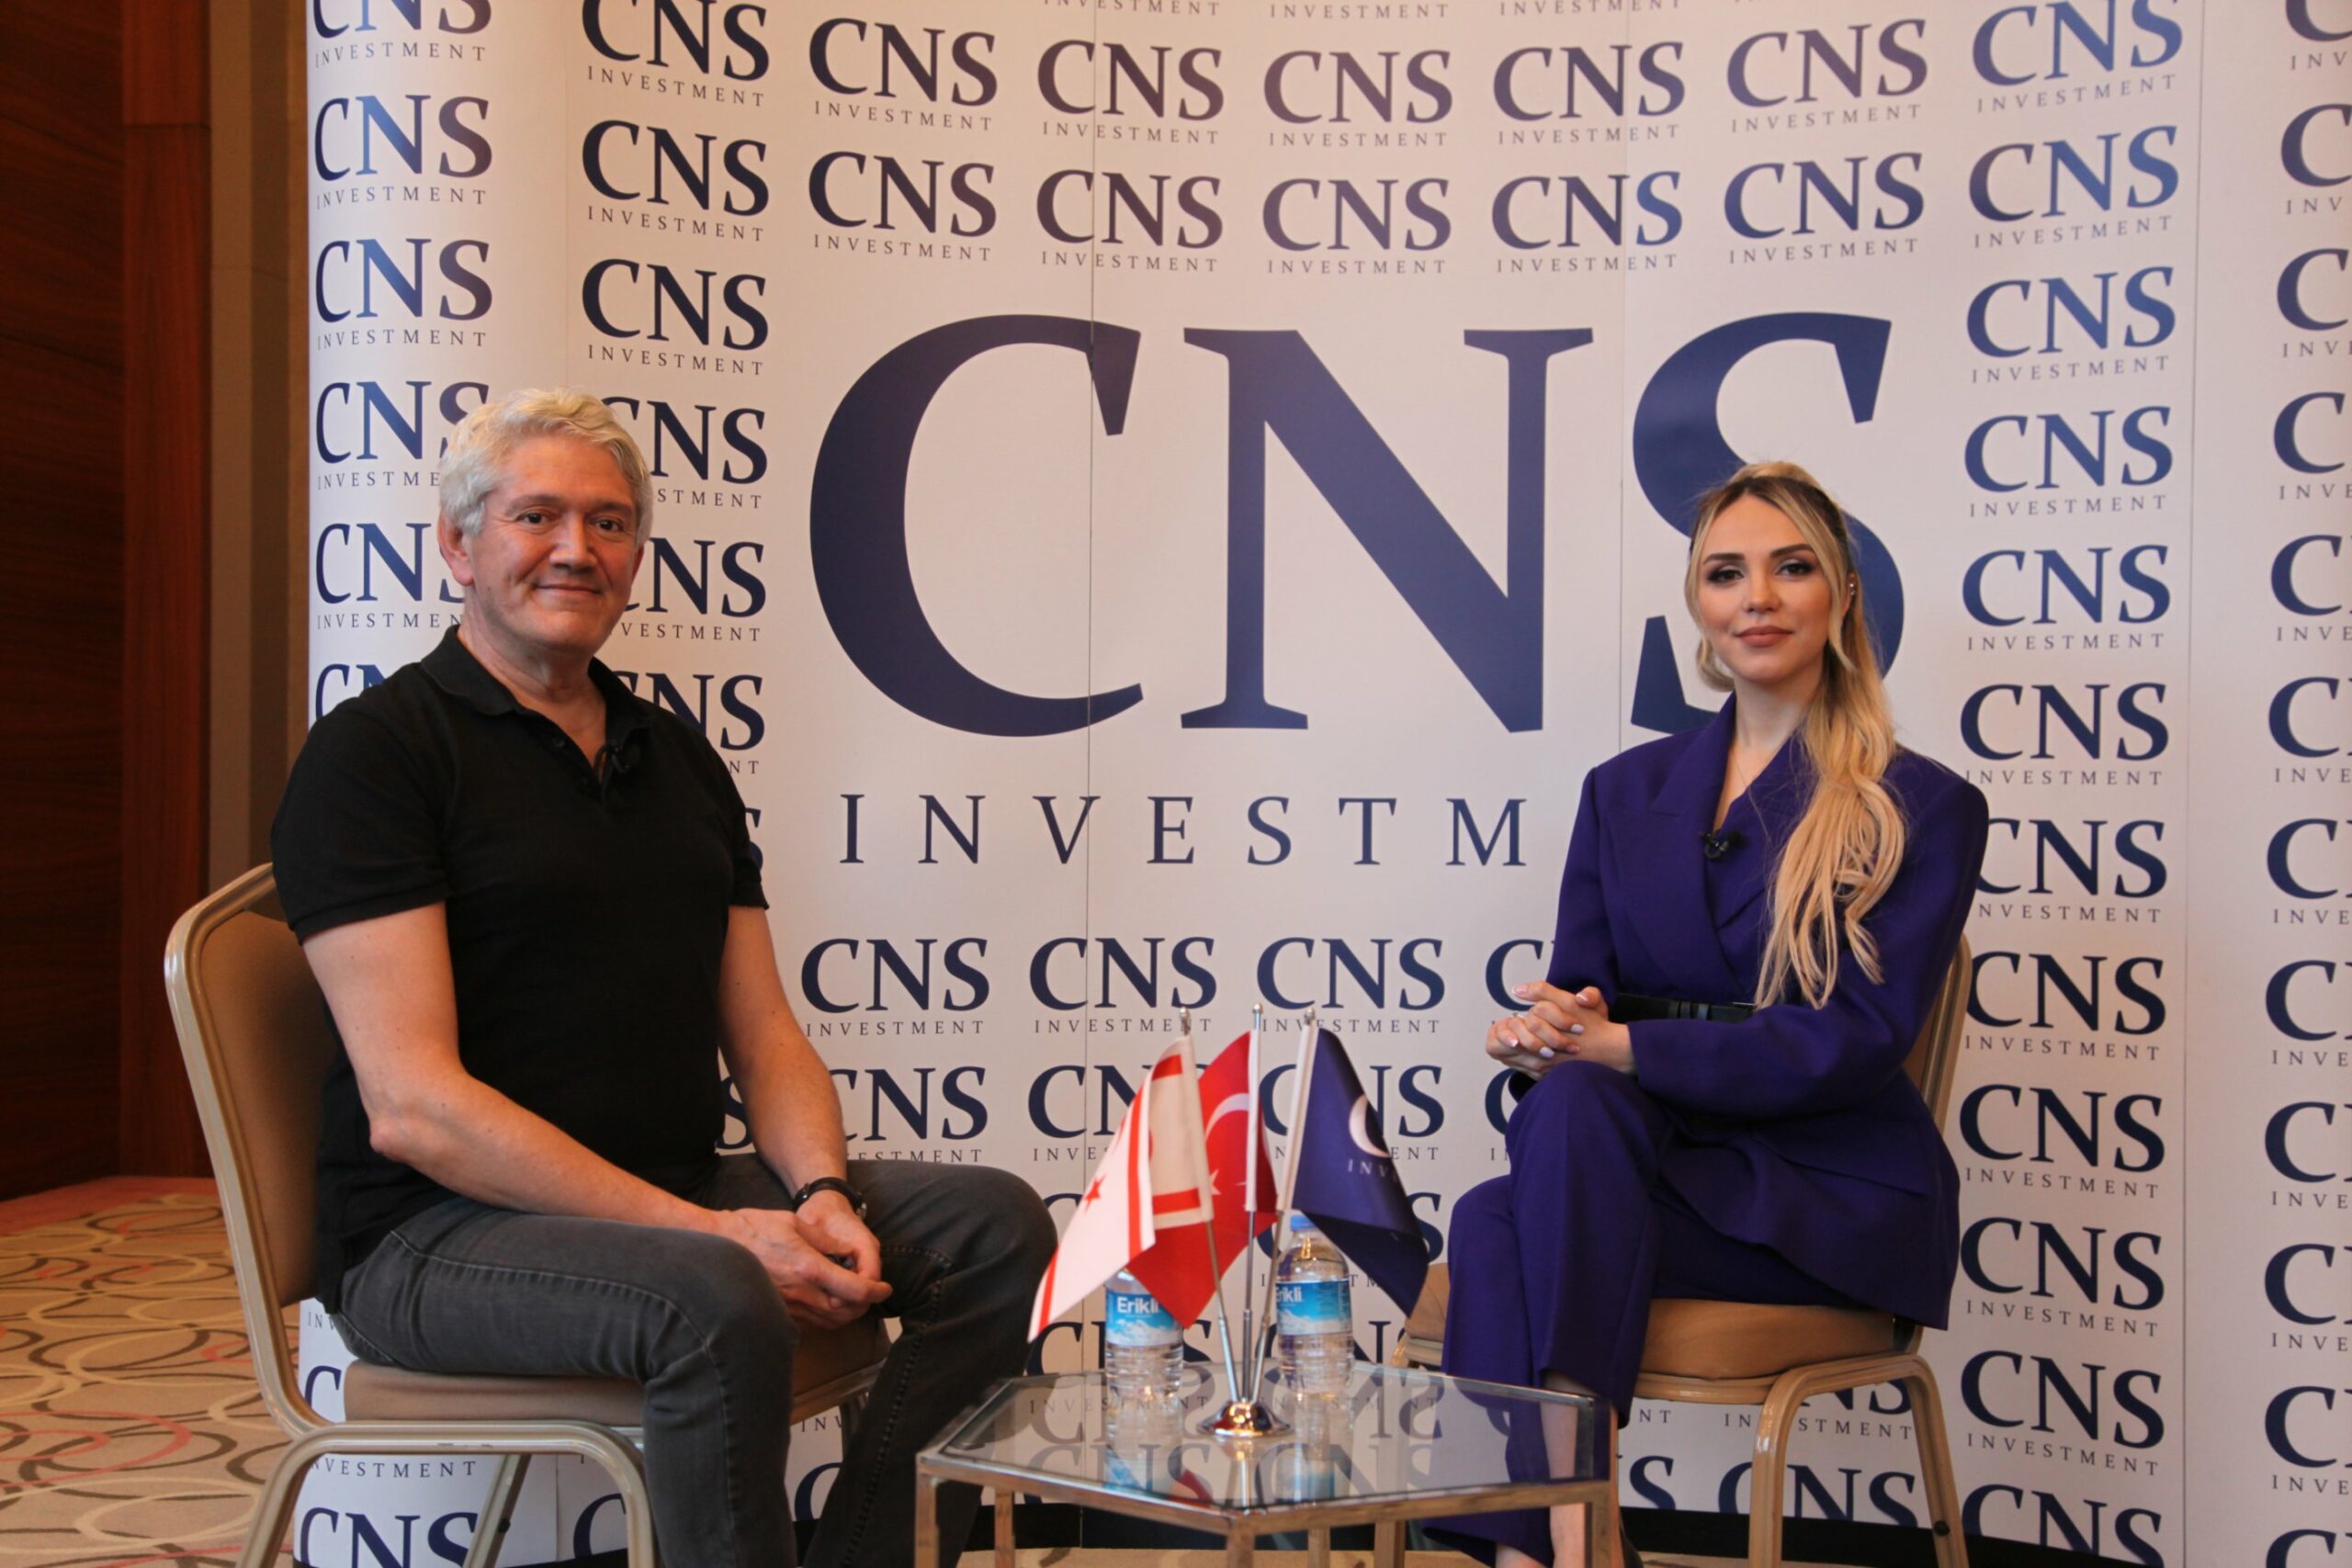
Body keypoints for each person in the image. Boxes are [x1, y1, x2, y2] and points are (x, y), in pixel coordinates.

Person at [271, 389, 1056, 1568]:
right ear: (458, 547)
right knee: (711, 1291)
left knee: (992, 1229)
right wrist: (717, 1234)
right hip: (434, 1235)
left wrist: (817, 1194)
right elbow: (415, 1109)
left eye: (609, 522)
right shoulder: (376, 754)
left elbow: (765, 1030)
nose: (576, 549)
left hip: (664, 1194)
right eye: (536, 516)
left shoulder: (675, 755)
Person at [1438, 461, 1989, 1568]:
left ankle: (1551, 1536)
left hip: (1824, 1198)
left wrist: (1624, 1046)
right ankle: (1565, 1538)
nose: (1758, 599)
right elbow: (1583, 994)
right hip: (1654, 1169)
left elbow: (1856, 1040)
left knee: (1497, 1225)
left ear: (1841, 594)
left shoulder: (1920, 803)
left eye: (1792, 569)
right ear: (1697, 603)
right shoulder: (1623, 791)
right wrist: (1548, 1035)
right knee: (1560, 1119)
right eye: (1726, 573)